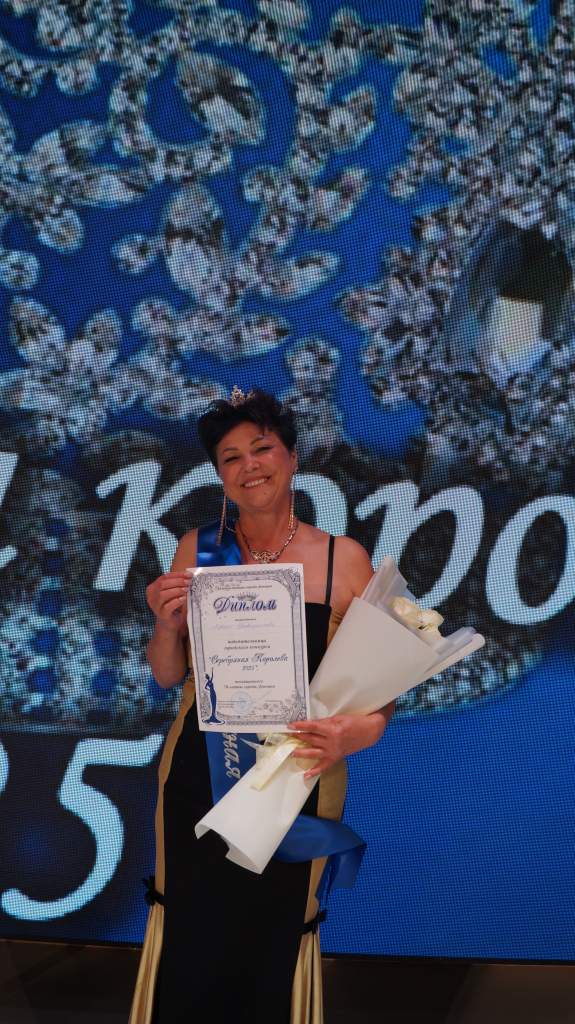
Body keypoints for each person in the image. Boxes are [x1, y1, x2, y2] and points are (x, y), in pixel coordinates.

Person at [129, 388, 395, 1024]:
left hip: (296, 778)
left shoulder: (343, 559)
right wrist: (164, 624)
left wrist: (354, 734)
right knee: (193, 935)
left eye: (262, 448)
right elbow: (167, 674)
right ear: (219, 475)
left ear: (292, 458)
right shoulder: (199, 549)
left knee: (273, 934)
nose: (249, 465)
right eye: (230, 457)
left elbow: (383, 691)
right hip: (200, 776)